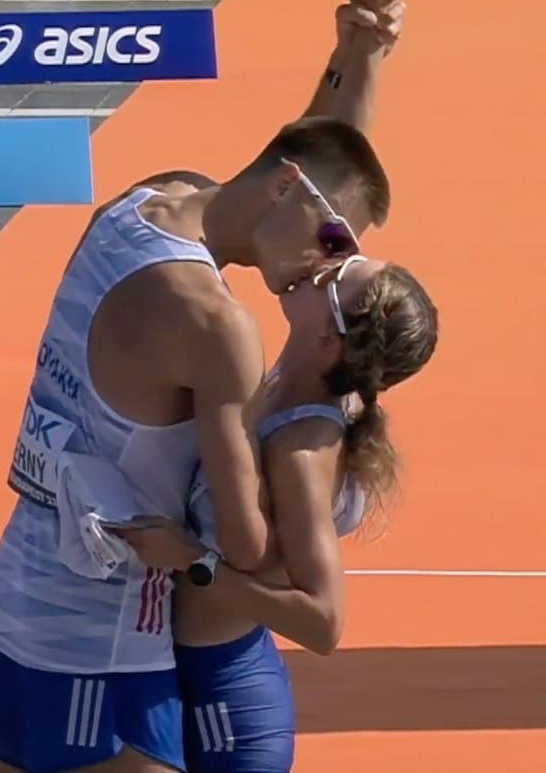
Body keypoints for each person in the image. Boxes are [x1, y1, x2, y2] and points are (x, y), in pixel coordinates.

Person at [0, 0, 408, 771]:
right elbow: (242, 540)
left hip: (23, 592)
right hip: (100, 635)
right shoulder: (220, 328)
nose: (326, 266)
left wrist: (362, 44)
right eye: (333, 240)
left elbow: (314, 159)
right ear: (288, 192)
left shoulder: (146, 200)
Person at [99, 254, 437, 773]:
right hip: (185, 672)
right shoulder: (278, 383)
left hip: (226, 708)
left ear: (331, 340)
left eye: (338, 277)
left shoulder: (302, 448)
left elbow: (324, 625)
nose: (322, 265)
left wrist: (191, 559)